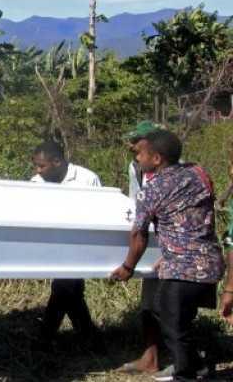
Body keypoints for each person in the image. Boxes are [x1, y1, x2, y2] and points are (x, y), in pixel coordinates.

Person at [111, 130, 224, 382]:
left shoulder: (152, 189)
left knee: (174, 329)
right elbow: (198, 216)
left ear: (157, 159)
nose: (137, 158)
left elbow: (138, 234)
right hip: (210, 263)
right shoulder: (199, 174)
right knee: (180, 322)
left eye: (140, 153)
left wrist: (128, 267)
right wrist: (171, 250)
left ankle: (186, 375)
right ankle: (199, 368)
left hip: (183, 268)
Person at [29, 141, 102, 343]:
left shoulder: (87, 179)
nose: (38, 170)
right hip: (53, 243)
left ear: (57, 161)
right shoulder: (36, 182)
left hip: (81, 242)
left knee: (65, 286)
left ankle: (46, 337)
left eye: (41, 165)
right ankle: (87, 335)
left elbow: (99, 212)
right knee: (71, 288)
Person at [118, 120, 165, 375]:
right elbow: (136, 201)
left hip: (171, 245)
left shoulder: (172, 169)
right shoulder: (136, 167)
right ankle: (151, 358)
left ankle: (185, 363)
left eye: (137, 142)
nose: (132, 146)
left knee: (168, 306)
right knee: (149, 305)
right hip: (146, 239)